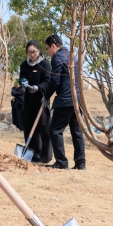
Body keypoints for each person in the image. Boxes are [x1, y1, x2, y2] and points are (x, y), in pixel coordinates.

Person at [43, 34, 86, 170]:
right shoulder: (72, 56)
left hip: (65, 100)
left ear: (53, 46)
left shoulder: (57, 58)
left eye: (47, 48)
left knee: (54, 130)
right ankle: (80, 164)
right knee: (77, 132)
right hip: (77, 100)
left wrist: (46, 96)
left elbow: (55, 81)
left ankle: (61, 162)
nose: (48, 52)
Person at [18, 40, 52, 163]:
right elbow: (22, 77)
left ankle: (45, 157)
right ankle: (32, 155)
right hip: (28, 102)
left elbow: (48, 82)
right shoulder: (24, 65)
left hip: (41, 101)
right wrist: (23, 82)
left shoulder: (45, 64)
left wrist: (38, 88)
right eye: (29, 52)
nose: (32, 55)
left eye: (34, 52)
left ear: (39, 51)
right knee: (29, 129)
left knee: (44, 129)